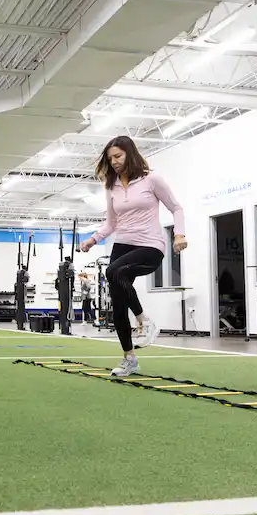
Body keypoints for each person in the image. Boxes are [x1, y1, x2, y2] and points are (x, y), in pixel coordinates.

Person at [79, 135, 186, 377]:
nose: (114, 162)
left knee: (112, 271)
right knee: (117, 305)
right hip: (123, 245)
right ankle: (130, 359)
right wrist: (93, 240)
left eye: (118, 156)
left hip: (150, 245)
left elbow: (176, 208)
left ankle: (143, 320)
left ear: (130, 153)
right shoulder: (112, 186)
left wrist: (179, 235)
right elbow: (112, 223)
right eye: (110, 159)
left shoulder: (152, 179)